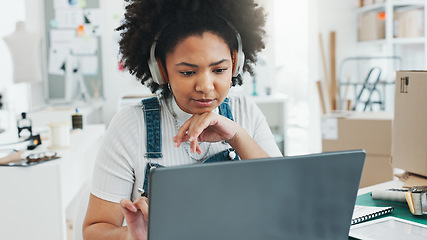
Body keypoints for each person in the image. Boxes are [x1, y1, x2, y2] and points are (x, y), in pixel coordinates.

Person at [83, 0, 282, 239]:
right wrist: (133, 235)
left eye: (219, 70)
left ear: (235, 63)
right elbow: (94, 230)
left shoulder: (245, 112)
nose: (206, 86)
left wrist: (237, 136)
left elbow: (283, 199)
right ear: (161, 70)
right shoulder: (130, 126)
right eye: (188, 72)